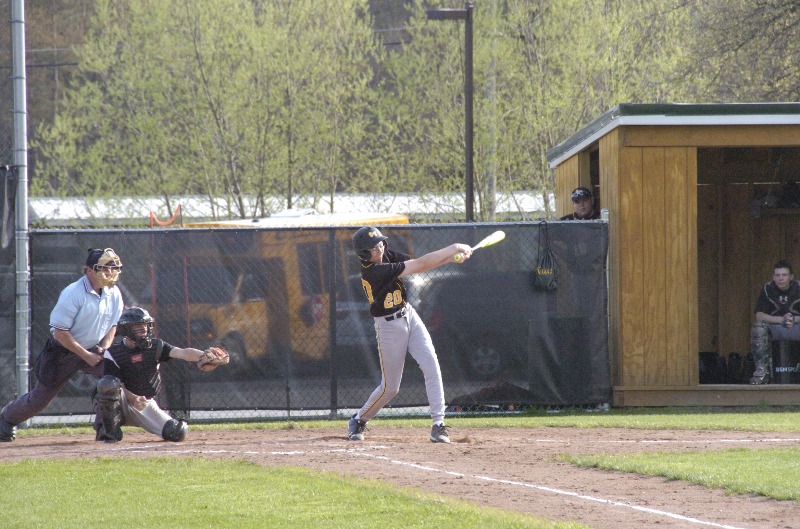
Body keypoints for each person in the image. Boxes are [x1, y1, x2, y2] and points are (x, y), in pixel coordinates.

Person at [347, 226, 472, 444]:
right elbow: (420, 264)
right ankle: (359, 419)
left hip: (409, 315)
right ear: (363, 254)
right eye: (373, 249)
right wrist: (453, 247)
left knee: (431, 364)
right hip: (388, 327)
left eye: (380, 245)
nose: (380, 250)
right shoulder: (373, 272)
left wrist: (450, 259)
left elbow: (422, 264)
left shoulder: (385, 254)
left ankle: (438, 424)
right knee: (390, 388)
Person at [0, 248, 124, 442]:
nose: (110, 273)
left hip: (92, 348)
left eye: (112, 268)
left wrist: (103, 348)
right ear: (89, 270)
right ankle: (5, 419)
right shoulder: (74, 292)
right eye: (104, 269)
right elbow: (60, 333)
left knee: (112, 380)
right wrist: (86, 355)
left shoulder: (114, 292)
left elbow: (112, 326)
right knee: (40, 400)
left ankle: (106, 430)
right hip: (62, 351)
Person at [94, 306, 219, 442]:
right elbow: (117, 386)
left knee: (176, 432)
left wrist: (206, 356)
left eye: (146, 325)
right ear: (126, 330)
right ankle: (109, 432)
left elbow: (182, 353)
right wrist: (134, 398)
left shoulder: (155, 346)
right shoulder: (113, 353)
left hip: (144, 403)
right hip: (122, 401)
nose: (144, 330)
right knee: (107, 384)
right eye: (138, 326)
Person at [749, 259, 800, 384]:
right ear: (773, 277)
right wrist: (780, 320)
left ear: (791, 277)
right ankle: (762, 371)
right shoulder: (768, 289)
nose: (780, 278)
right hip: (775, 328)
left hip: (796, 326)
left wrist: (794, 319)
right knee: (758, 328)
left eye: (784, 275)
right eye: (777, 275)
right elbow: (759, 315)